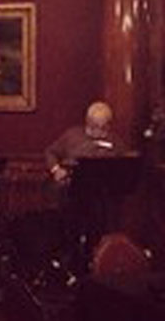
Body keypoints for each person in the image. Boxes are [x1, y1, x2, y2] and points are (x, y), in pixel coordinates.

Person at [44, 101, 129, 268]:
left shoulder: (115, 141)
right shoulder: (71, 136)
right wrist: (56, 170)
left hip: (101, 198)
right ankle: (71, 261)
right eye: (95, 126)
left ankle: (98, 262)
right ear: (87, 122)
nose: (99, 131)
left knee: (100, 224)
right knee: (69, 226)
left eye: (104, 127)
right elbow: (50, 152)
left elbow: (125, 164)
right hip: (70, 194)